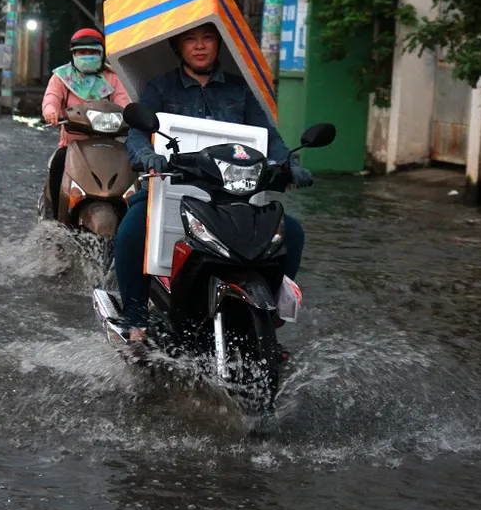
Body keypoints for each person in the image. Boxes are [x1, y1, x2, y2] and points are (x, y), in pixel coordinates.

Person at [113, 22, 313, 341]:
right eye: (190, 39)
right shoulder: (161, 87)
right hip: (171, 189)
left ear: (219, 44)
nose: (200, 45)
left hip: (233, 196)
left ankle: (270, 313)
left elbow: (269, 137)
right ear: (177, 47)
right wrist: (148, 156)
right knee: (133, 228)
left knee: (293, 233)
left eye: (208, 38)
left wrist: (289, 165)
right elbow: (137, 133)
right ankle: (134, 316)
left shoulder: (240, 90)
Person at [41, 28, 131, 214]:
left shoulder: (113, 77)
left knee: (132, 170)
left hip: (110, 146)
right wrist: (51, 111)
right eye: (82, 52)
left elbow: (124, 103)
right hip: (72, 145)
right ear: (73, 54)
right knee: (58, 163)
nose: (87, 56)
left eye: (92, 52)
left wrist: (131, 116)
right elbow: (52, 97)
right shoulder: (62, 77)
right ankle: (56, 217)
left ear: (102, 54)